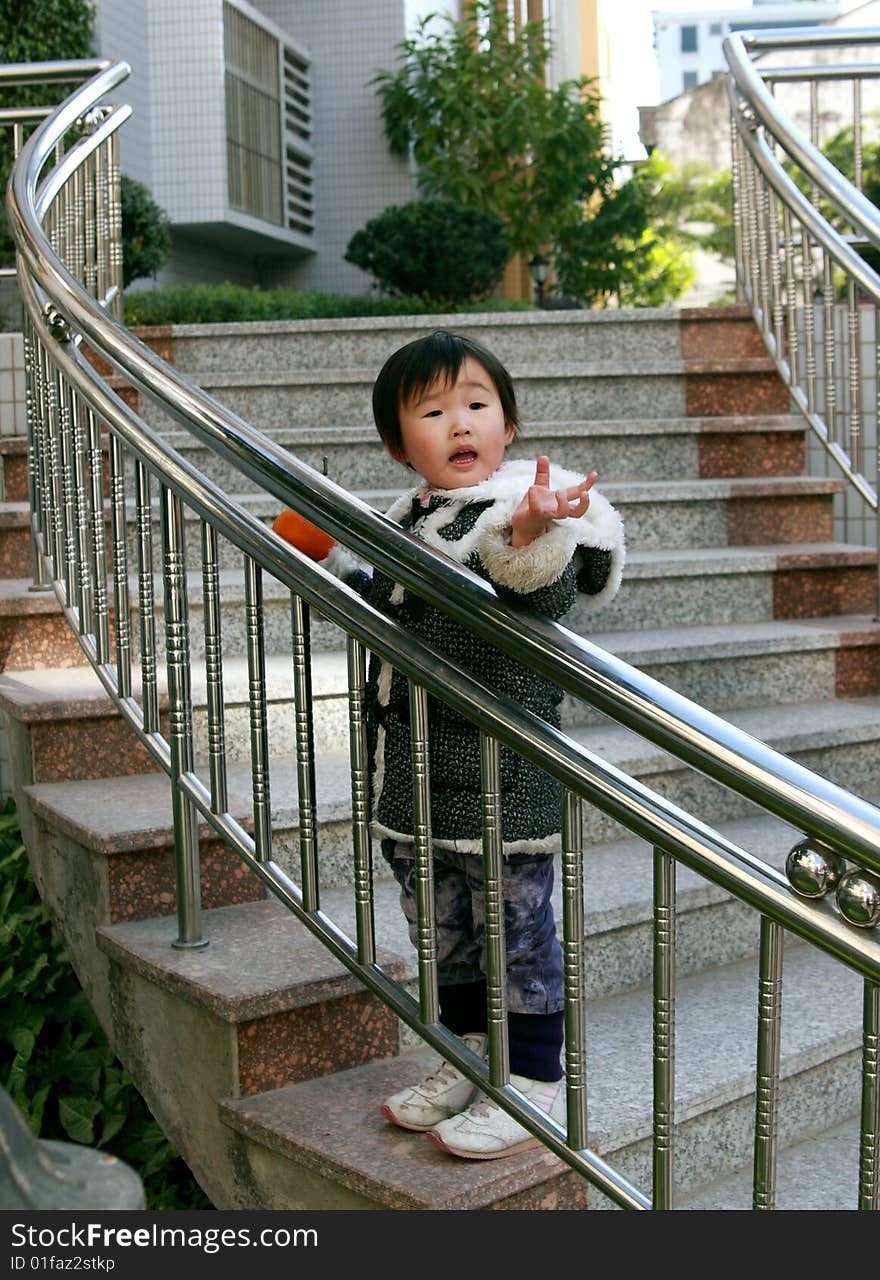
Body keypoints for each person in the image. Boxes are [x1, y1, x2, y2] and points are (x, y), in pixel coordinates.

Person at [273, 330, 625, 1160]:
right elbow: (396, 616)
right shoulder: (412, 518)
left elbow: (534, 593)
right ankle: (467, 1056)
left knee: (516, 929)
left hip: (501, 769)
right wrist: (324, 561)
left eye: (476, 405)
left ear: (508, 427)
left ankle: (533, 1079)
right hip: (416, 774)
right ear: (401, 445)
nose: (459, 423)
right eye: (433, 411)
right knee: (442, 927)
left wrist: (535, 528)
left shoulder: (526, 509)